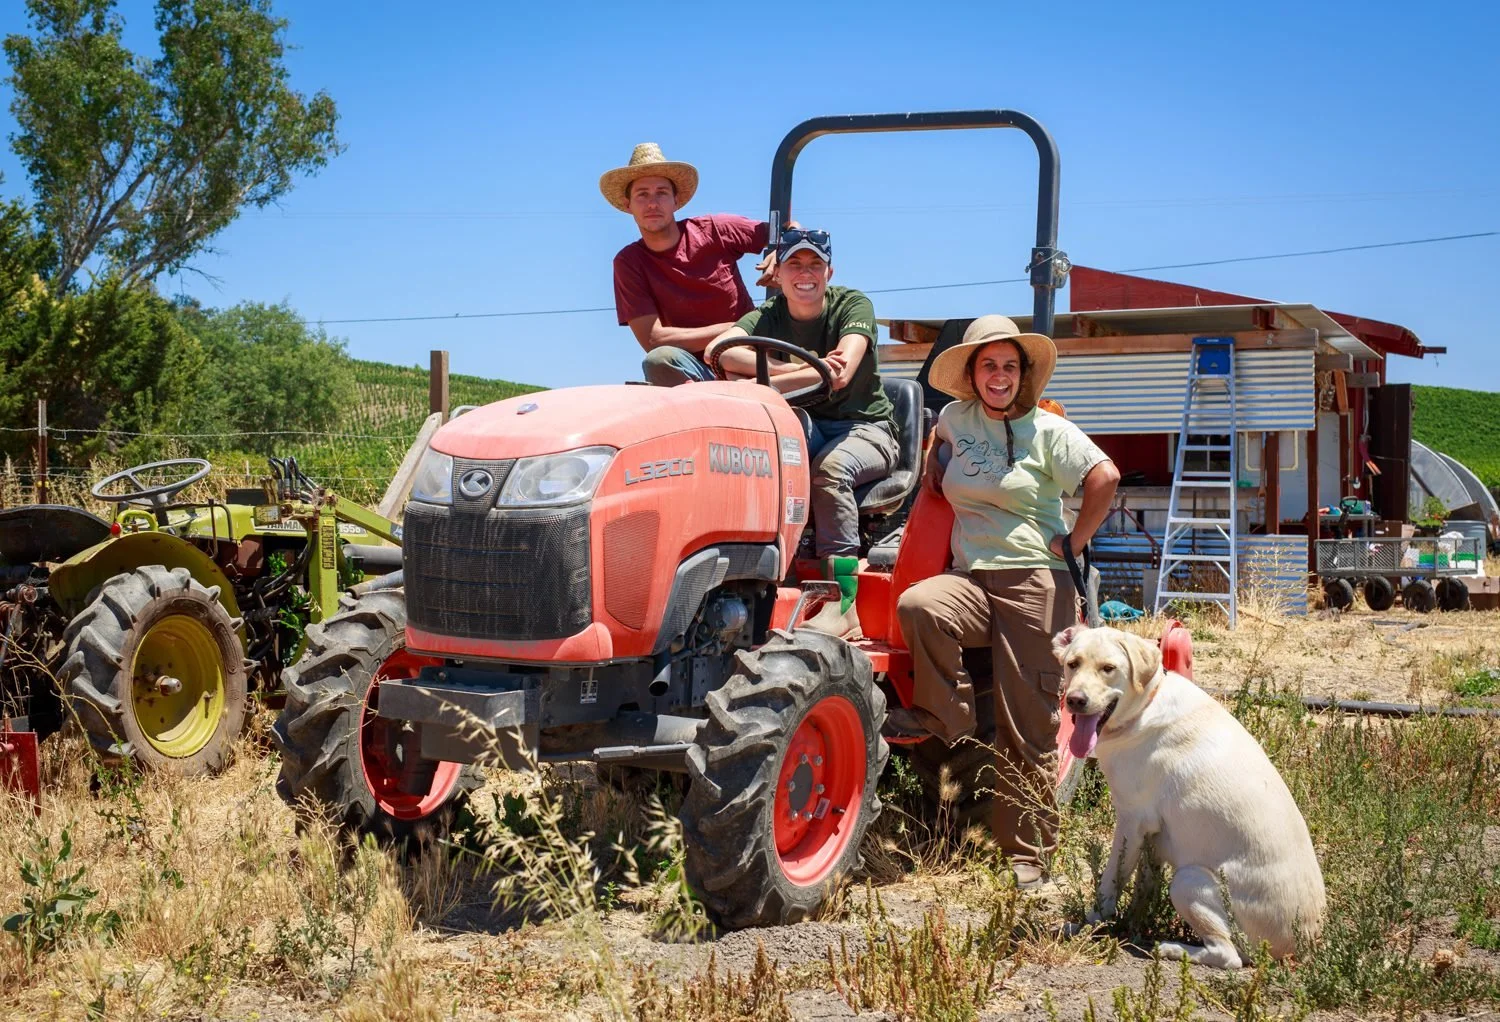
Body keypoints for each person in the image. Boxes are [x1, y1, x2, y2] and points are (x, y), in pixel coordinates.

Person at [890, 315, 1121, 886]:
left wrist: (1075, 539)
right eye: (989, 365)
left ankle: (1029, 860)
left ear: (1023, 375)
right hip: (971, 577)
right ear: (972, 373)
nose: (999, 376)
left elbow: (1105, 477)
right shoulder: (952, 417)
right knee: (918, 606)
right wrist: (928, 468)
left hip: (1033, 581)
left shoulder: (1049, 430)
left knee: (1028, 725)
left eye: (1010, 367)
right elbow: (939, 445)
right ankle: (949, 716)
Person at [707, 228, 897, 636]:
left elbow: (841, 370)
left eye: (814, 264)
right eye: (794, 263)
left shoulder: (851, 304)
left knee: (829, 471)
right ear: (778, 273)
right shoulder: (769, 315)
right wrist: (792, 369)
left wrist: (761, 373)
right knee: (754, 460)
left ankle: (841, 600)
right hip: (806, 426)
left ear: (829, 270)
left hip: (865, 429)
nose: (805, 273)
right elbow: (719, 351)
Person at [602, 143, 780, 386]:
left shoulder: (716, 229)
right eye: (642, 194)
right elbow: (654, 340)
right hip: (694, 369)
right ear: (628, 205)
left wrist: (782, 250)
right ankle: (703, 403)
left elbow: (788, 230)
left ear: (676, 201)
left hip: (748, 355)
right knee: (659, 359)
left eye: (661, 193)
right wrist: (740, 327)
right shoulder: (629, 262)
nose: (652, 203)